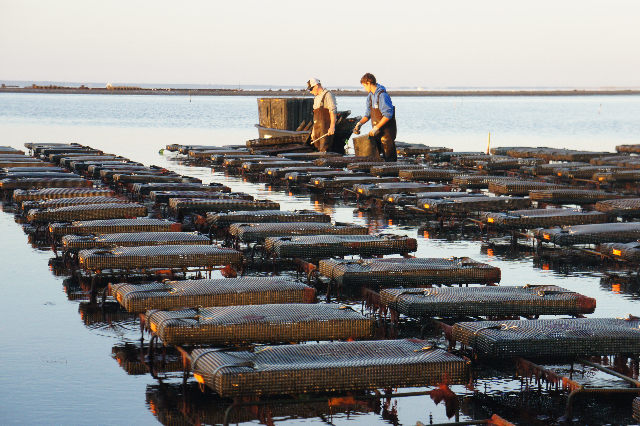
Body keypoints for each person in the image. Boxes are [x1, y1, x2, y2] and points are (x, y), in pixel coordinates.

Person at [353, 73, 397, 161]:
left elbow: (388, 115)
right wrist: (359, 124)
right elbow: (368, 114)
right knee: (378, 157)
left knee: (389, 158)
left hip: (386, 133)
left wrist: (376, 128)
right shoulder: (370, 96)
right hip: (377, 133)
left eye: (365, 86)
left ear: (369, 83)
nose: (364, 88)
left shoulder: (382, 95)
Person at [306, 78, 338, 153]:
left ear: (316, 86)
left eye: (311, 89)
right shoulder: (316, 98)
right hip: (317, 130)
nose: (310, 92)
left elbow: (333, 111)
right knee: (317, 151)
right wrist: (313, 131)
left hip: (325, 129)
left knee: (325, 151)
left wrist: (332, 127)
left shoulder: (328, 94)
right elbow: (315, 117)